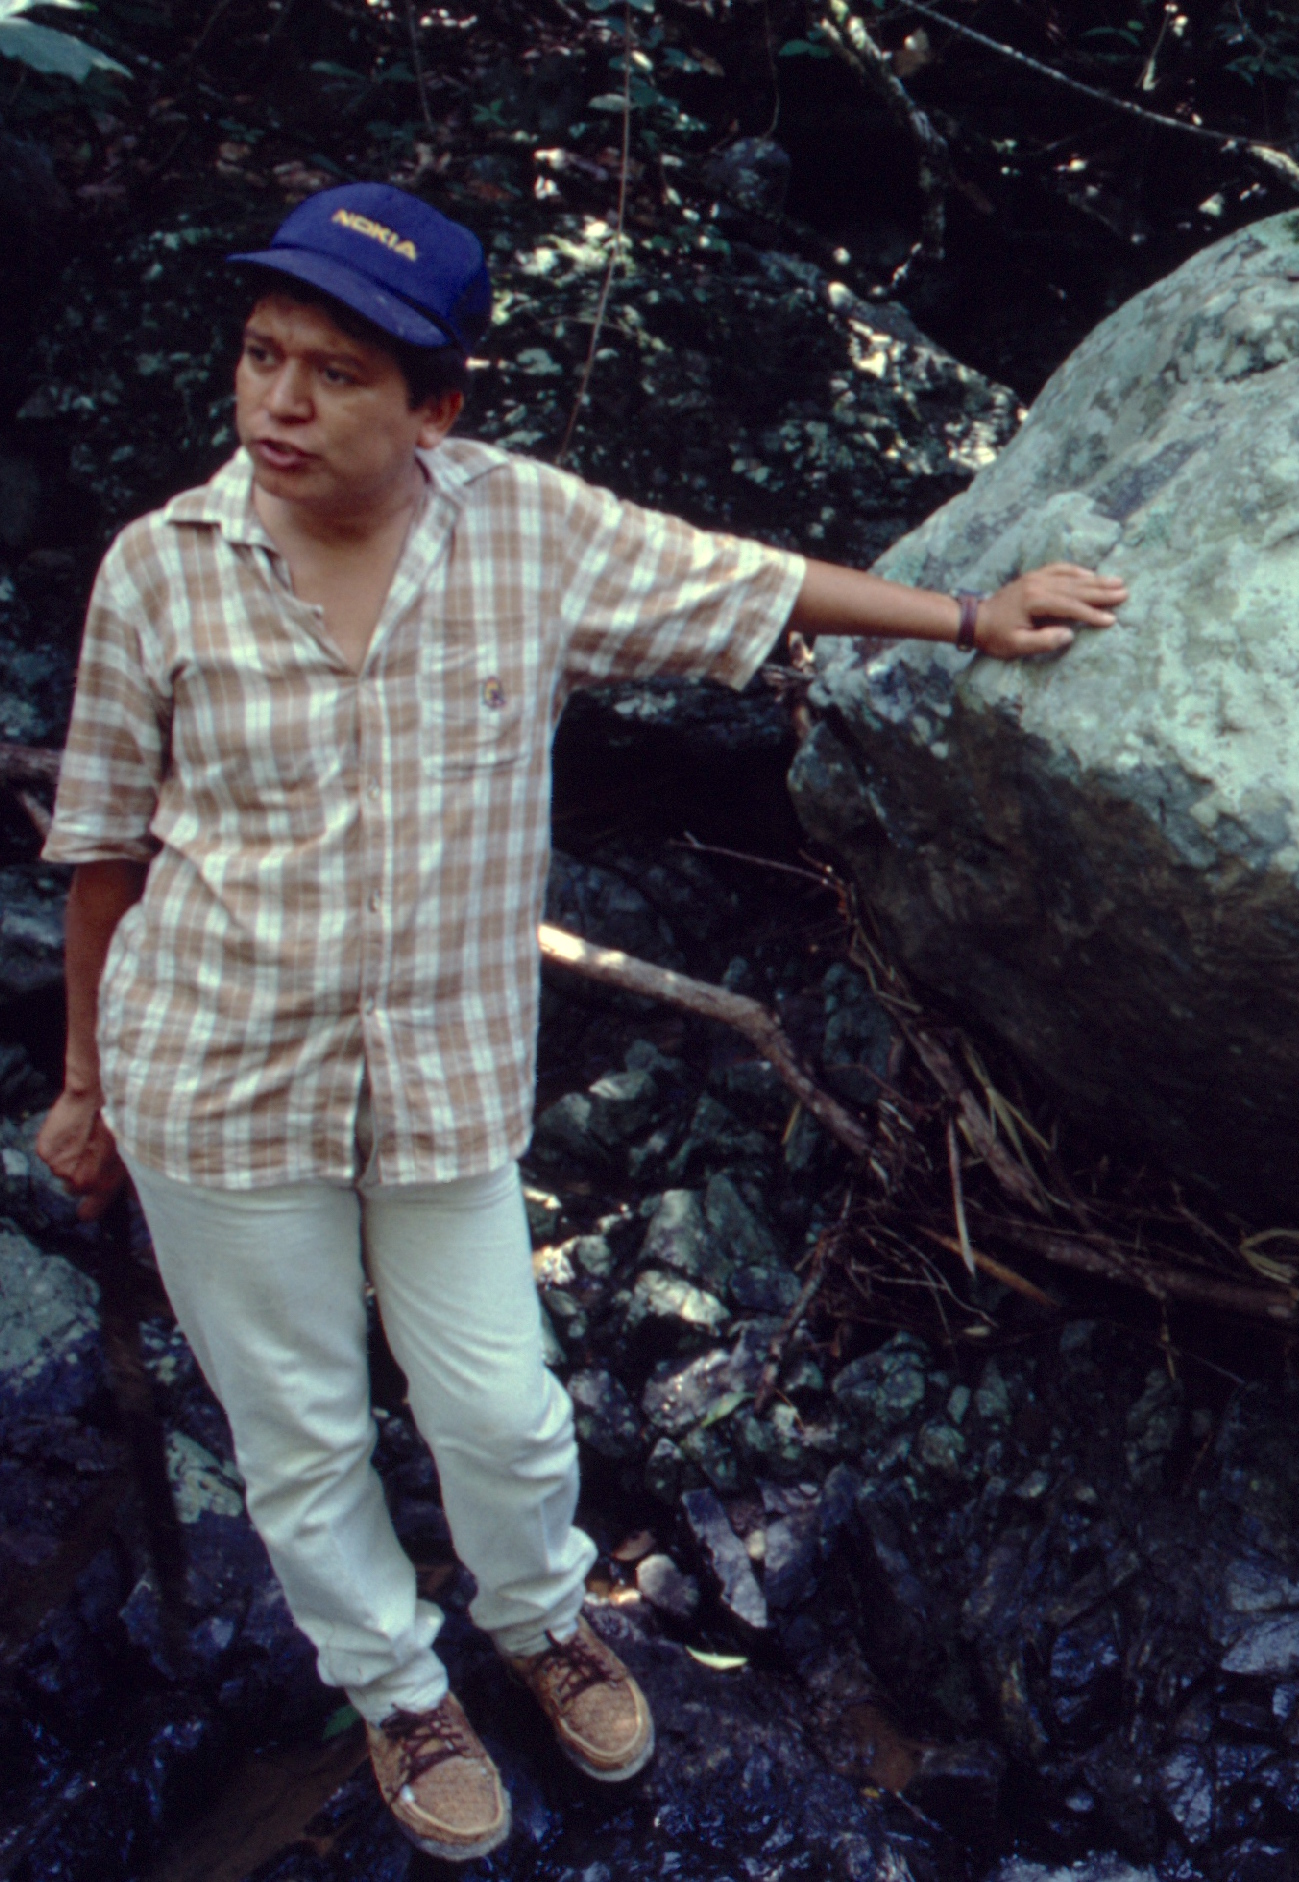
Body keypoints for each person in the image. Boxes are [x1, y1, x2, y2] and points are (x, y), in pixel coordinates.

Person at [31, 181, 1124, 1863]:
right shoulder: (160, 571)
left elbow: (741, 581)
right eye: (259, 356)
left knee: (503, 1407)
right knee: (302, 1434)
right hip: (215, 1079)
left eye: (334, 372)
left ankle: (541, 1618)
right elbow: (104, 848)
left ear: (436, 406)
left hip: (444, 1081)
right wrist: (84, 1083)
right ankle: (399, 1688)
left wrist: (974, 617)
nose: (279, 403)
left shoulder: (527, 534)